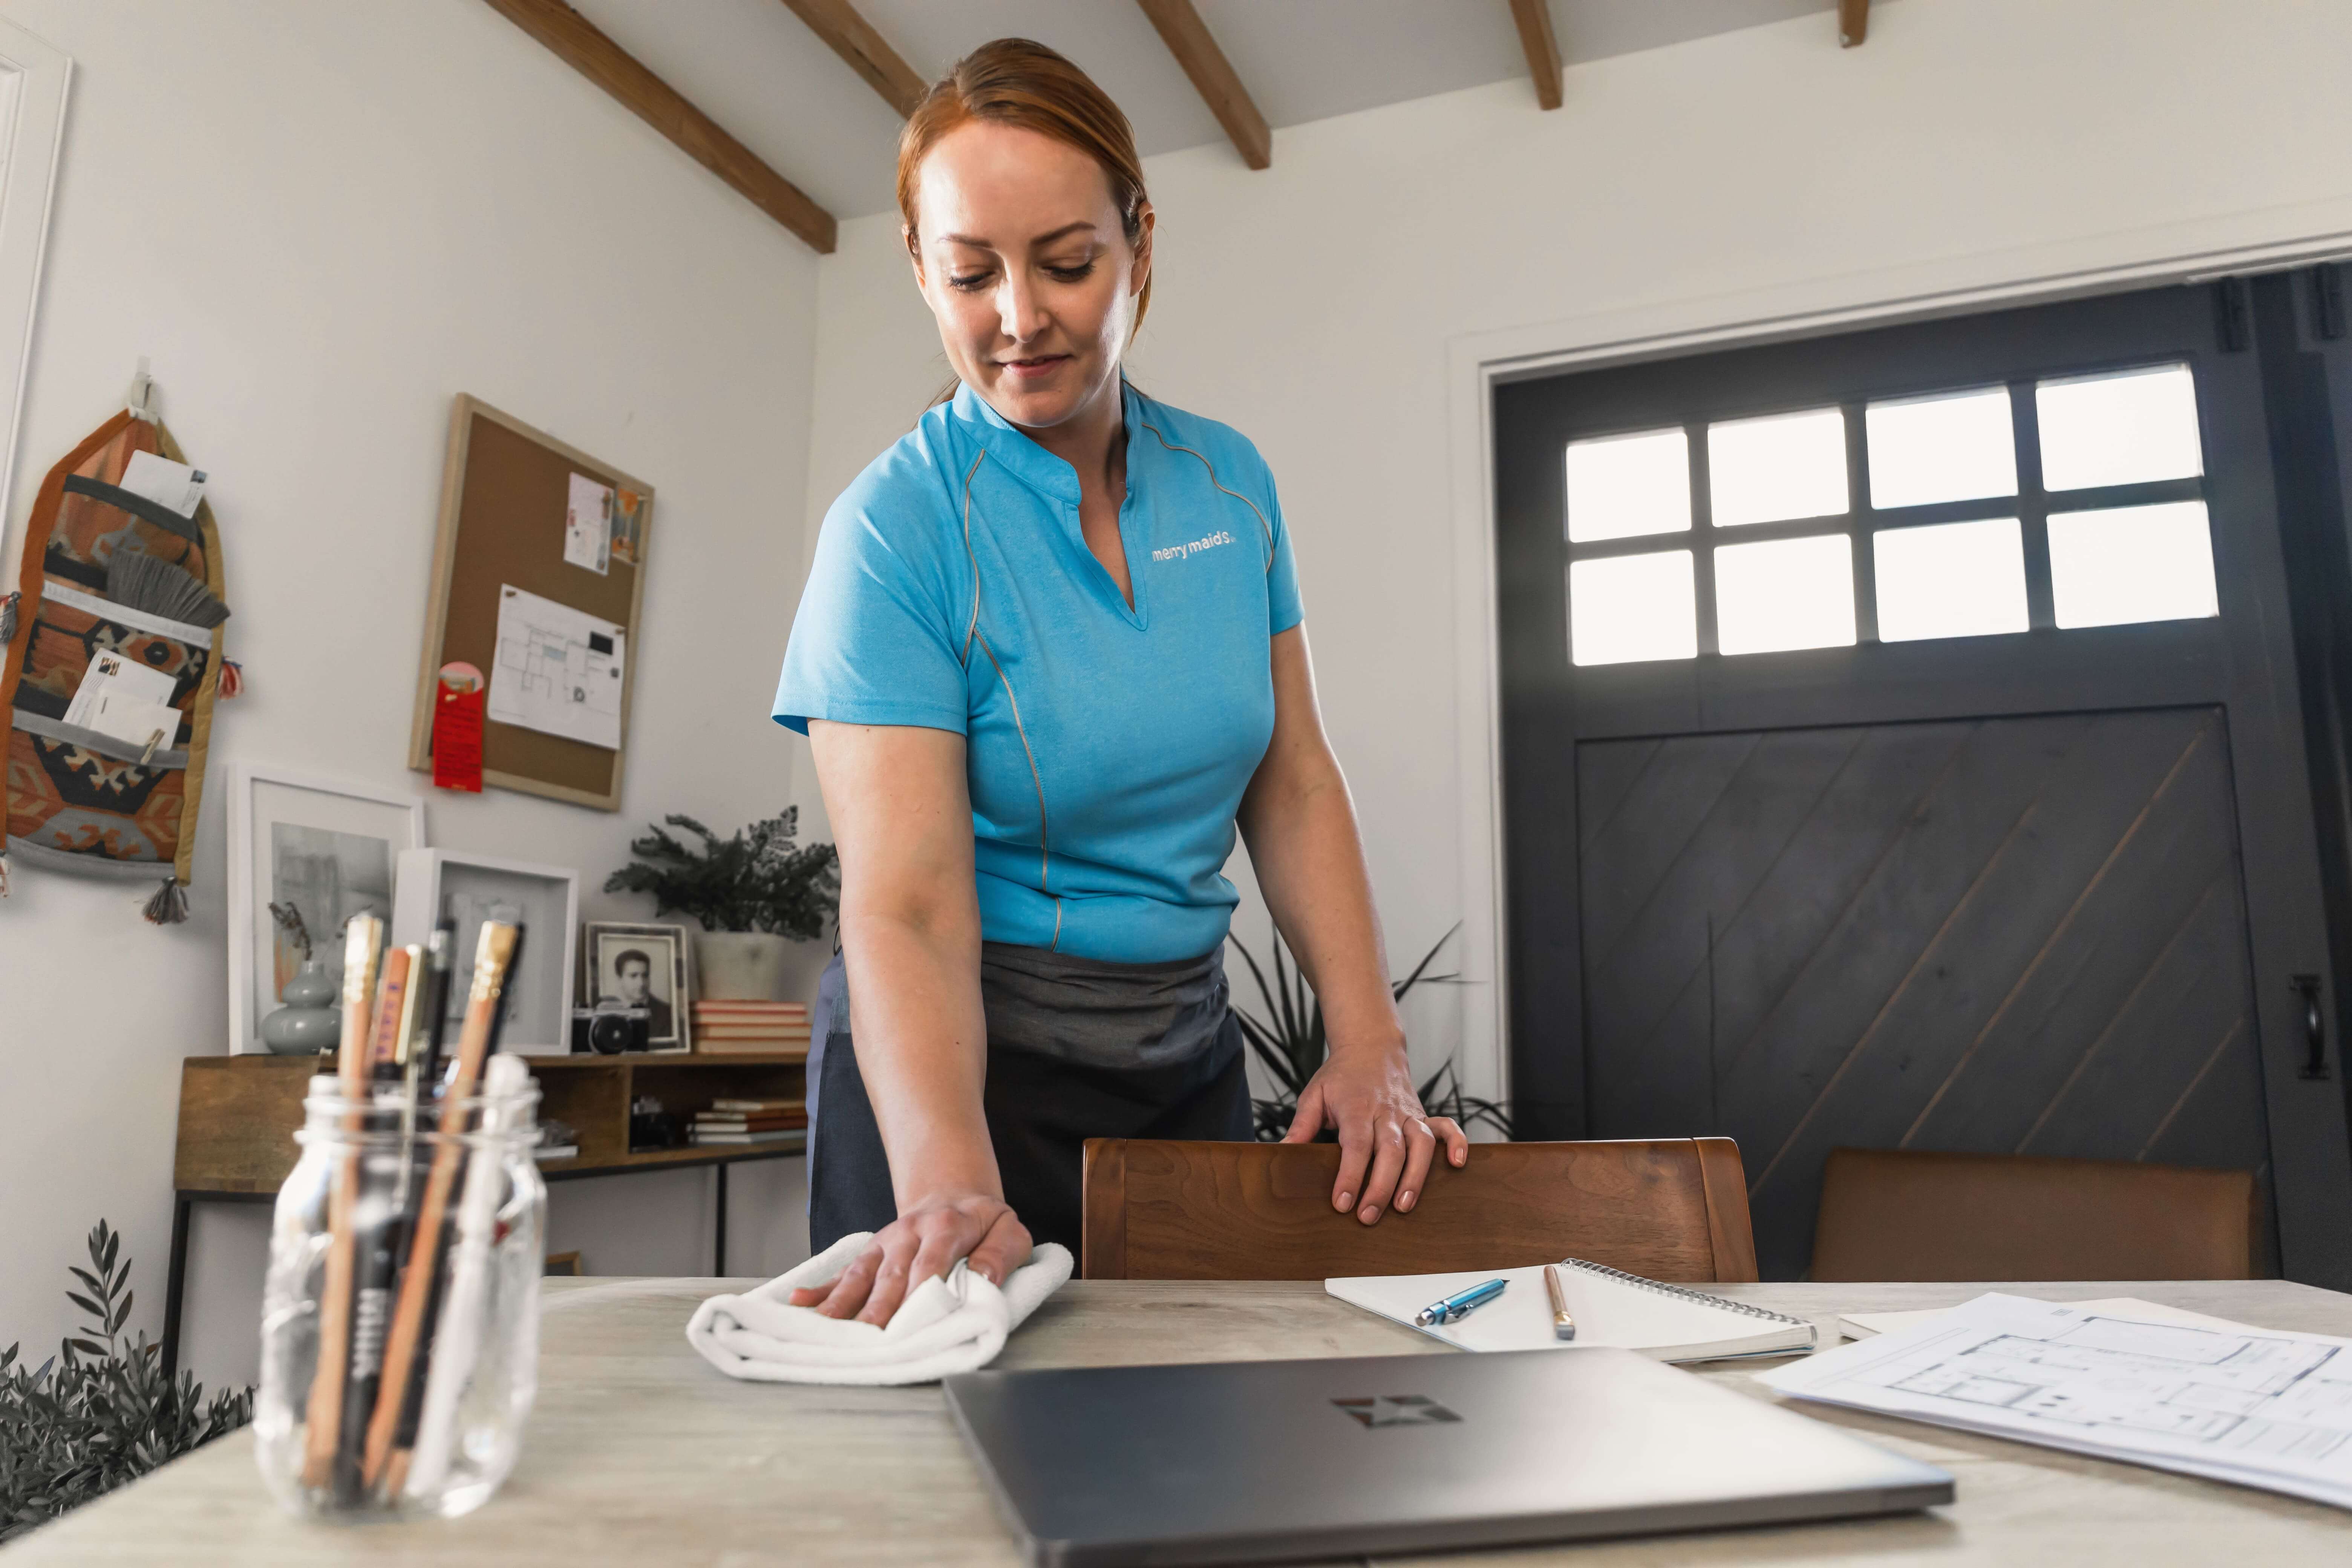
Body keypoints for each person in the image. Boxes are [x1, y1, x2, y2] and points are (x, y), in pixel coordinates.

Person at [772, 38, 1469, 1327]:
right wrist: (947, 1178)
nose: (1021, 317)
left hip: (1179, 1052)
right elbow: (912, 906)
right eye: (972, 272)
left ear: (1141, 242)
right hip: (960, 1070)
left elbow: (1294, 778)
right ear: (921, 267)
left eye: (1068, 262)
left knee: (1202, 1432)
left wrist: (1370, 1044)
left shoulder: (1232, 485)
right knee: (947, 1471)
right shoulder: (895, 531)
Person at [605, 947, 673, 1042]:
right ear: (619, 979)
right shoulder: (606, 1010)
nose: (641, 983)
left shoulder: (668, 1013)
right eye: (633, 976)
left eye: (645, 976)